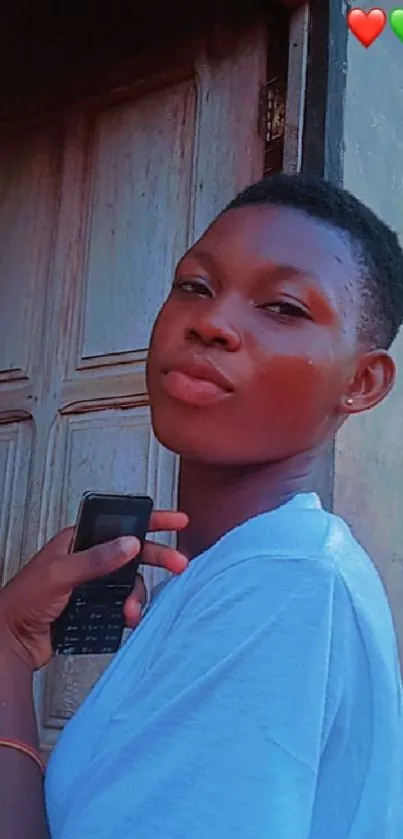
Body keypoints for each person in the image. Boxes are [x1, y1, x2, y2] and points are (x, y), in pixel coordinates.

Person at [1, 173, 402, 839]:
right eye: (194, 285)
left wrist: (8, 652)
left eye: (282, 306)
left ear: (360, 382)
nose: (210, 321)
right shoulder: (227, 573)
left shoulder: (286, 578)